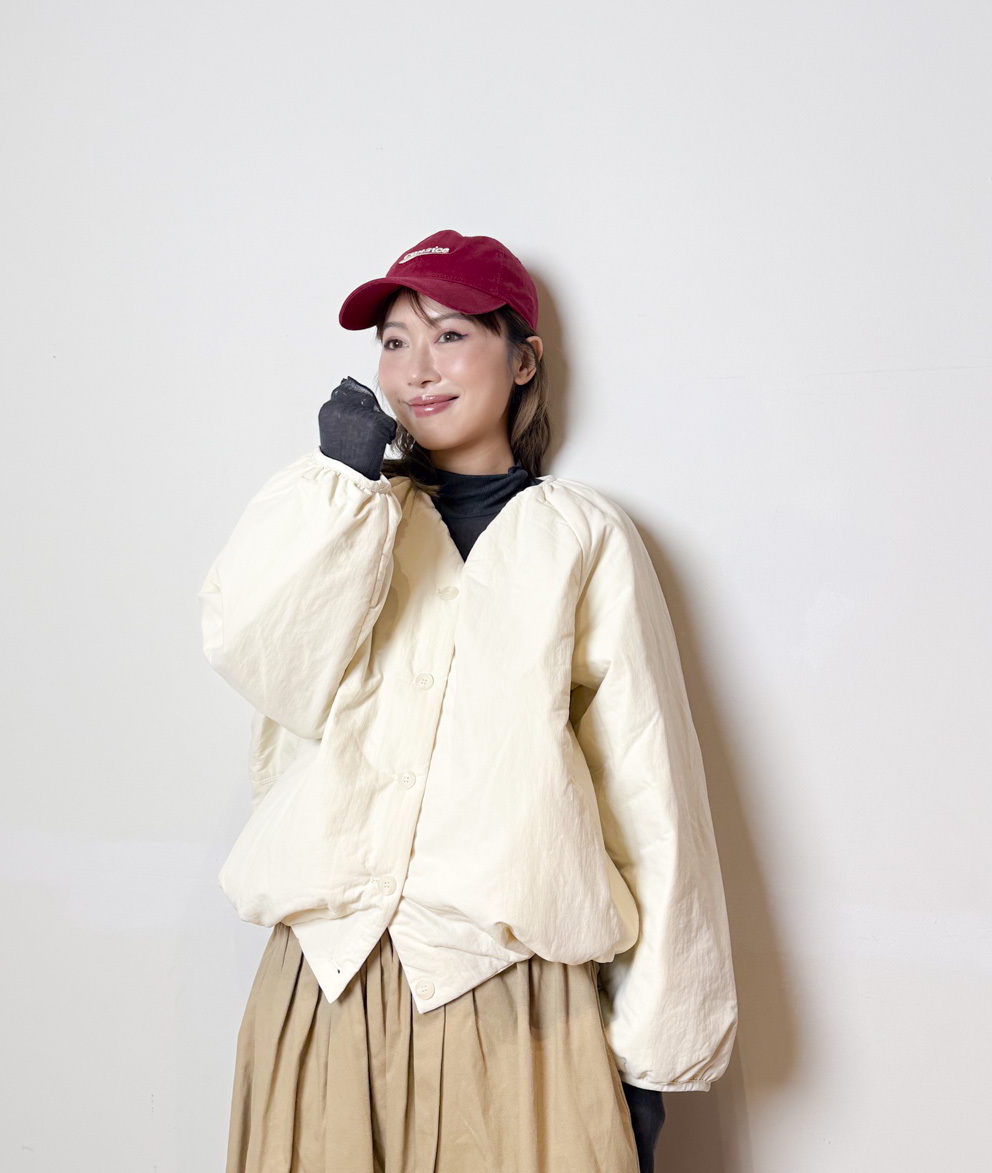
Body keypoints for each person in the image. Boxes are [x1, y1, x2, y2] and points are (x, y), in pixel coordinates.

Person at [198, 229, 738, 1173]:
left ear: (523, 359)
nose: (417, 369)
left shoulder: (582, 537)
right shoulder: (343, 519)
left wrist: (656, 1049)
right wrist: (336, 484)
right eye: (394, 341)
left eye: (450, 335)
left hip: (511, 1000)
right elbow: (263, 660)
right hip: (327, 982)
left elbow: (649, 793)